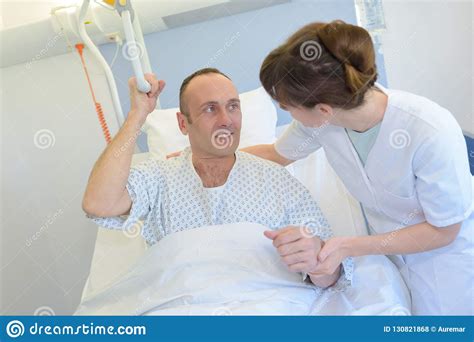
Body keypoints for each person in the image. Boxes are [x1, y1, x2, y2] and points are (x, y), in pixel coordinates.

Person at [242, 20, 473, 315]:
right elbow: (276, 154)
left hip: (450, 265)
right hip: (392, 263)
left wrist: (348, 246)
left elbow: (445, 230)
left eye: (288, 107)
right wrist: (201, 157)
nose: (288, 114)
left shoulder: (428, 130)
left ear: (323, 110)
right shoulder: (325, 122)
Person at [82, 67, 352, 290]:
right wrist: (137, 115)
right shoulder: (158, 177)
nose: (226, 120)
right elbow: (99, 204)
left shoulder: (276, 180)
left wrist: (315, 261)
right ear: (182, 123)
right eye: (210, 109)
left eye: (233, 106)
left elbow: (330, 274)